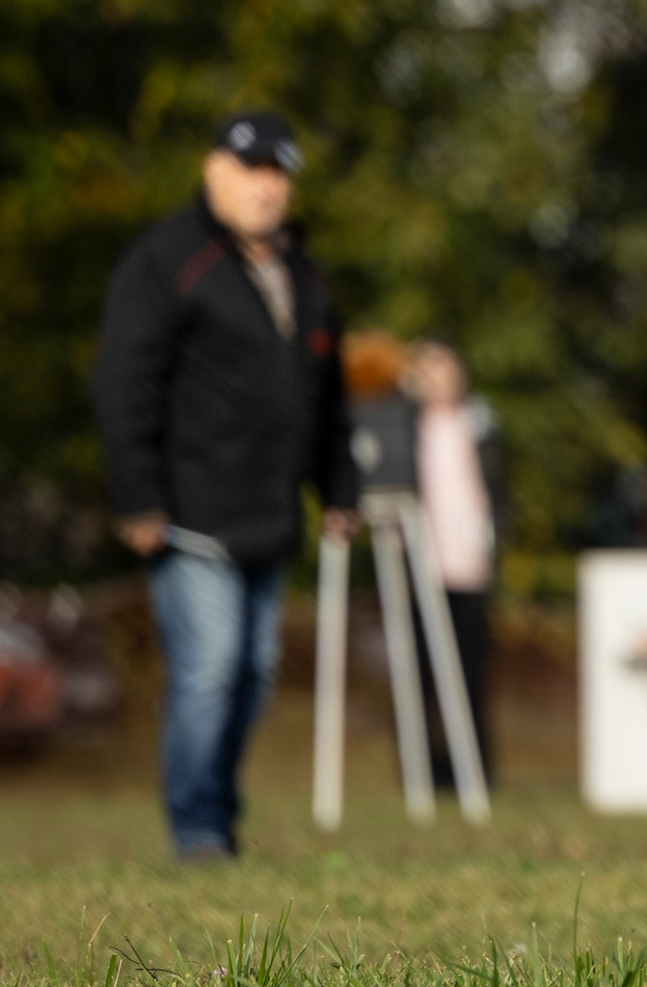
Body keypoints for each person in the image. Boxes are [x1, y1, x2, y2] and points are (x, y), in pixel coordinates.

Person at [95, 112, 359, 860]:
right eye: (248, 169)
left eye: (276, 172)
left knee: (254, 673)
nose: (263, 186)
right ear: (213, 170)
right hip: (187, 514)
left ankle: (217, 807)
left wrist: (340, 489)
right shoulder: (169, 260)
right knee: (208, 666)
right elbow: (124, 381)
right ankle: (199, 829)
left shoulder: (305, 277)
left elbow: (327, 397)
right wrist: (137, 496)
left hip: (268, 515)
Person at [408, 338, 505, 791]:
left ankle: (476, 773)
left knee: (470, 675)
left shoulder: (479, 424)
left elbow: (497, 492)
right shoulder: (405, 427)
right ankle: (425, 775)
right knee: (420, 677)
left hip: (468, 565)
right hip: (419, 566)